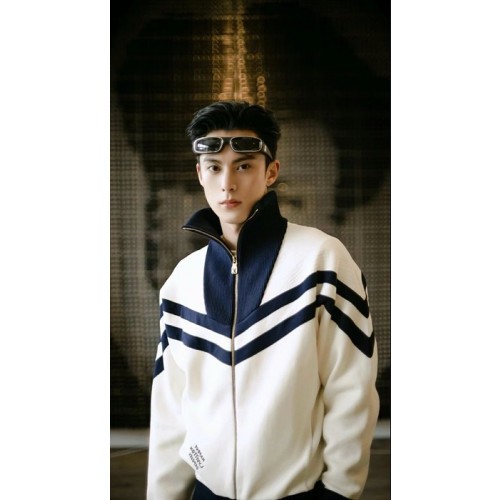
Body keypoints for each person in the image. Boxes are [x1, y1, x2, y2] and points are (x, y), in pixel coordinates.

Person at [147, 100, 379, 500]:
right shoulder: (182, 281)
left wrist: (341, 491)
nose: (227, 183)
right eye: (214, 167)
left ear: (270, 172)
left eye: (243, 166)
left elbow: (351, 388)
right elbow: (171, 409)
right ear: (199, 173)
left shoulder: (322, 260)